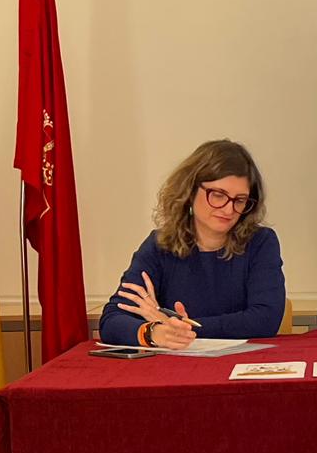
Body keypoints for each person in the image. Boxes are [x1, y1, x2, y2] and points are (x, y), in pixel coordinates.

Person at [98, 140, 286, 348]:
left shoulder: (261, 242)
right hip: (177, 364)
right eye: (218, 195)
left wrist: (179, 327)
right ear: (190, 190)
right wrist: (153, 332)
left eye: (240, 200)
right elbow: (111, 321)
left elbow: (265, 320)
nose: (228, 209)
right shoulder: (159, 245)